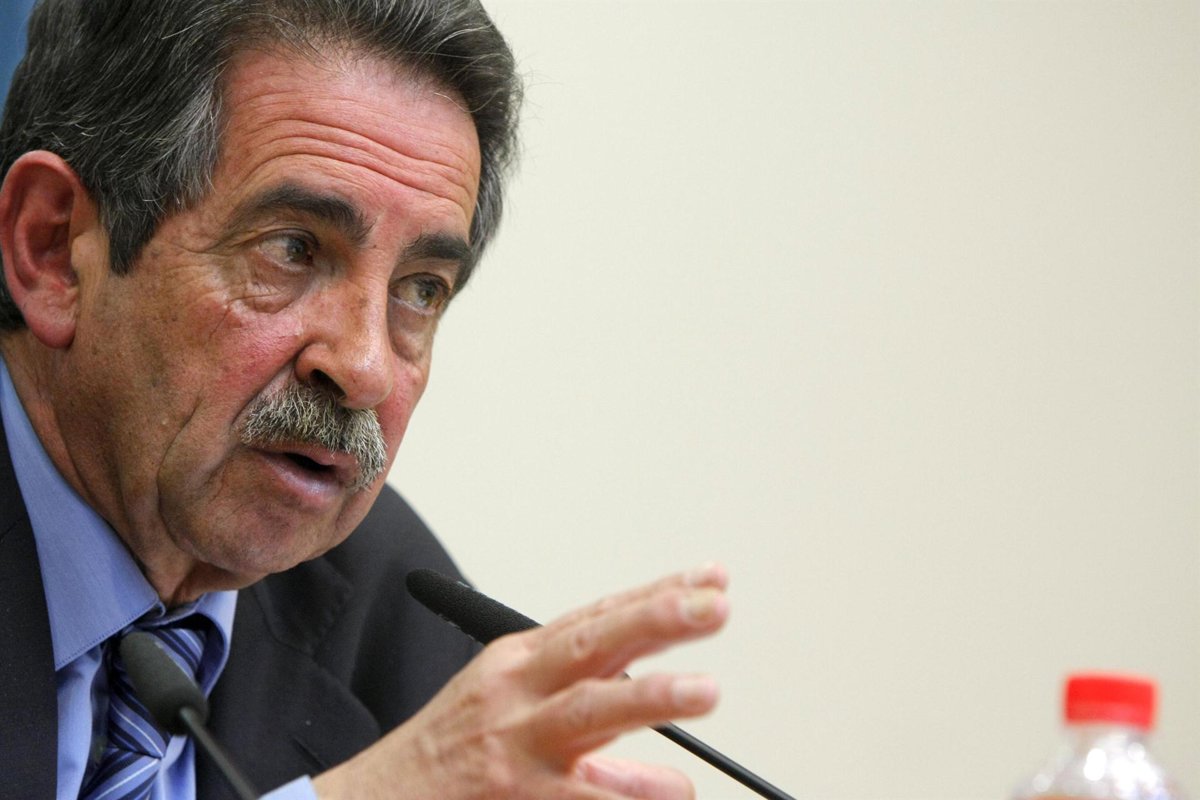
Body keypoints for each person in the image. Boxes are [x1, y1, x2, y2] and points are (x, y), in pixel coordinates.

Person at [0, 1, 730, 799]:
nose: (367, 368)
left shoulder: (393, 613)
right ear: (54, 248)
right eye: (293, 248)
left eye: (419, 289)